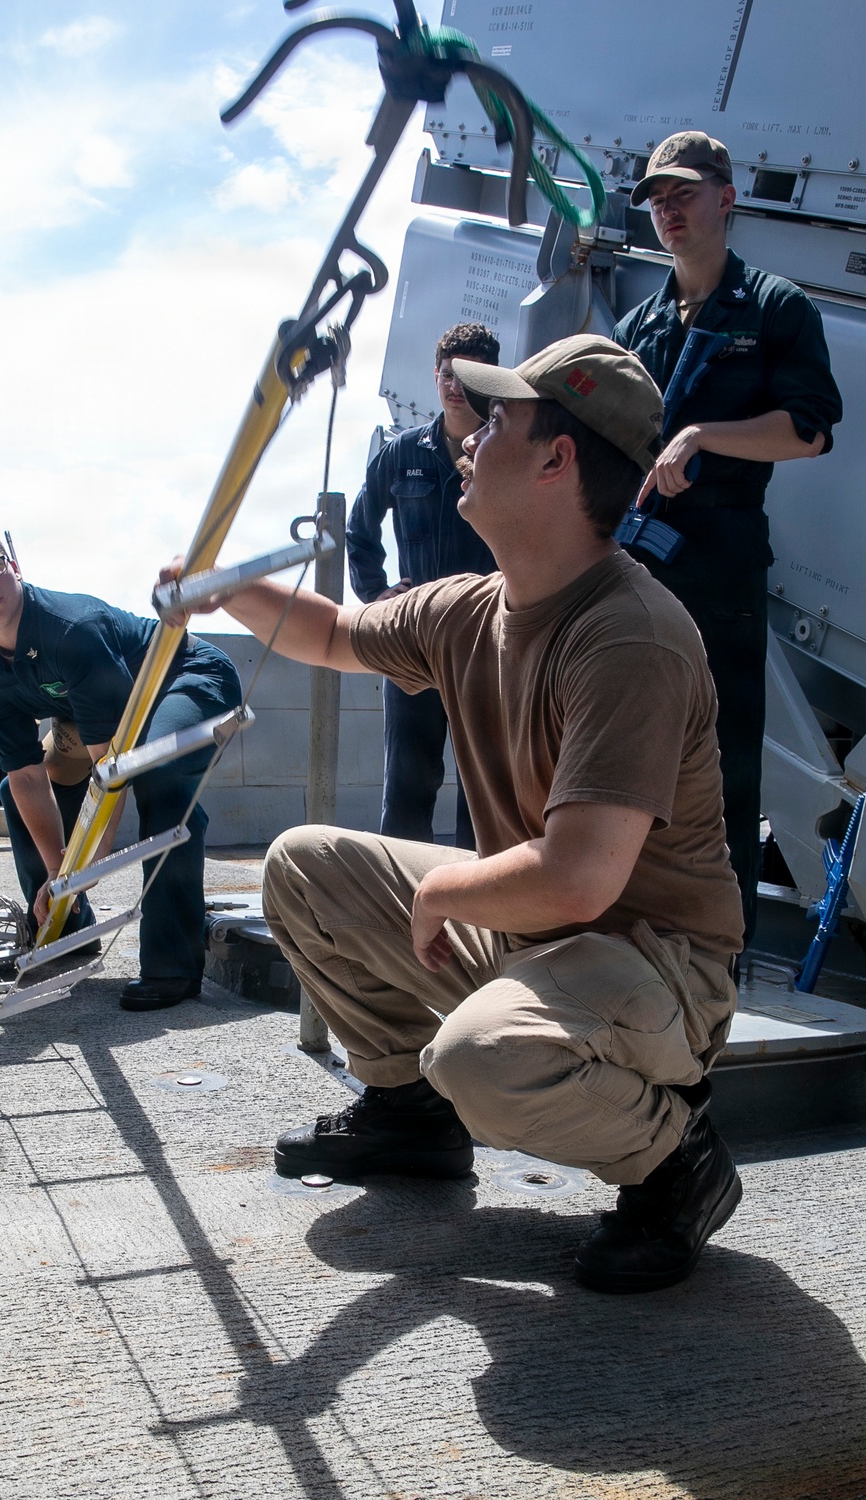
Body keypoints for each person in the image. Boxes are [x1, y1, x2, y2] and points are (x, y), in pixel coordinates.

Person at [164, 334, 745, 1295]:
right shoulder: (471, 608)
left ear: (558, 459)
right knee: (304, 866)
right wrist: (221, 588)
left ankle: (675, 1159)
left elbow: (579, 879)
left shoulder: (630, 636)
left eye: (497, 419)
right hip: (538, 935)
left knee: (482, 1059)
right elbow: (334, 632)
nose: (467, 436)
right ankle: (407, 1115)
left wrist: (442, 894)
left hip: (655, 962)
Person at [613, 131, 842, 943]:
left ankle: (721, 956)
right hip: (637, 569)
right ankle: (629, 933)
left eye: (683, 193)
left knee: (723, 762)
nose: (668, 211)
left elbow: (810, 431)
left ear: (726, 197)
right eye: (656, 199)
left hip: (721, 569)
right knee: (630, 751)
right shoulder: (637, 325)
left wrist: (703, 436)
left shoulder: (776, 307)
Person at [0, 520, 241, 1011]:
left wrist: (87, 865)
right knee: (15, 794)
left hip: (185, 678)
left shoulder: (71, 630)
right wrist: (60, 872)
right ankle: (66, 929)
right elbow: (26, 774)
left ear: (14, 566)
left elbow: (110, 771)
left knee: (157, 777)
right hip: (99, 718)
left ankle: (173, 966)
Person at [346, 322, 500, 848]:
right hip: (414, 642)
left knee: (486, 795)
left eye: (469, 375)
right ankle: (399, 894)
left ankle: (482, 894)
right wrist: (376, 596)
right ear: (435, 376)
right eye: (447, 375)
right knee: (408, 787)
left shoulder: (508, 453)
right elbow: (359, 530)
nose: (456, 386)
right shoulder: (402, 453)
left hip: (487, 642)